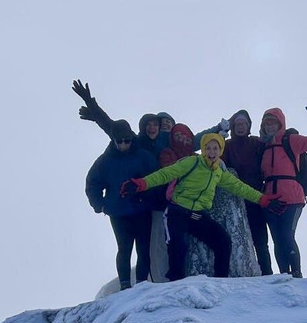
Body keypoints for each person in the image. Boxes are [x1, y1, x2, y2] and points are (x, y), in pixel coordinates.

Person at [122, 133, 285, 281]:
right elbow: (166, 174)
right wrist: (141, 184)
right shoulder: (192, 162)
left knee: (223, 241)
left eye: (215, 148)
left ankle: (220, 281)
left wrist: (263, 200)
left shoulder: (219, 173)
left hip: (197, 215)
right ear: (203, 149)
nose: (211, 152)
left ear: (220, 150)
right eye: (208, 148)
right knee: (177, 246)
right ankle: (176, 283)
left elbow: (240, 187)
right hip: (177, 211)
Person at [85, 120, 158, 291]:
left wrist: (147, 197)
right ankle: (124, 285)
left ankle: (142, 284)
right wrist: (100, 205)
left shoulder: (144, 156)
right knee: (124, 249)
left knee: (143, 247)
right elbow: (92, 184)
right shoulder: (105, 160)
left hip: (141, 210)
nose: (124, 144)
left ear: (132, 138)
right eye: (120, 141)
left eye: (127, 140)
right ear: (114, 141)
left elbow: (156, 179)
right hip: (118, 212)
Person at [258, 98, 307, 278]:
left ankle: (296, 274)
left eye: (273, 123)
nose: (269, 126)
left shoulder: (291, 140)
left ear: (280, 124)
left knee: (287, 235)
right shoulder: (262, 146)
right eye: (266, 123)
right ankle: (284, 275)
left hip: (292, 197)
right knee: (277, 240)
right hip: (270, 199)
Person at [219, 110, 273, 275]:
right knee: (237, 239)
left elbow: (271, 150)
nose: (240, 127)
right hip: (235, 202)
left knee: (260, 242)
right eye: (237, 124)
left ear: (249, 125)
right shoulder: (227, 146)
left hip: (256, 199)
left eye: (243, 124)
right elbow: (217, 161)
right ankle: (239, 272)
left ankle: (267, 273)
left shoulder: (256, 144)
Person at [73, 80, 168, 156]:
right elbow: (108, 124)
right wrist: (89, 102)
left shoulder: (163, 145)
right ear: (143, 128)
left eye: (155, 125)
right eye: (148, 125)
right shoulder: (133, 141)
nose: (152, 127)